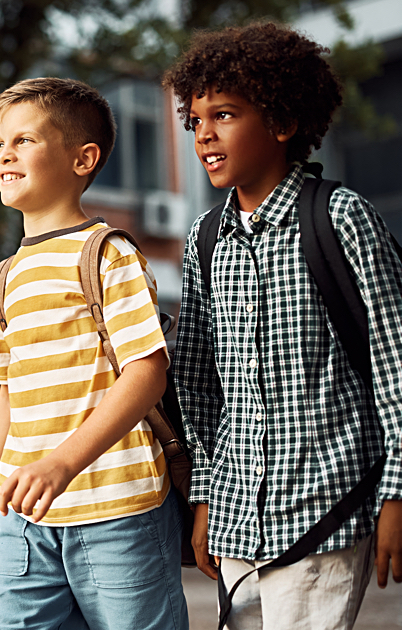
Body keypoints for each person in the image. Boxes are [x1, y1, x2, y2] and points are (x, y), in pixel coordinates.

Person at [165, 22, 402, 628]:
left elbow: (394, 366)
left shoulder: (341, 217)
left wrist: (396, 494)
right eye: (196, 121)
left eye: (224, 115)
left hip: (325, 508)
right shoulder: (204, 237)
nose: (205, 135)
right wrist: (204, 497)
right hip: (236, 519)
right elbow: (197, 381)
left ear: (282, 122)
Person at [0, 77, 187, 629]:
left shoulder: (108, 254)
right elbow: (9, 402)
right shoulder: (4, 277)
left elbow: (147, 373)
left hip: (118, 510)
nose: (5, 154)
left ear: (83, 158)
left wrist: (64, 461)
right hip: (24, 518)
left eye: (25, 141)